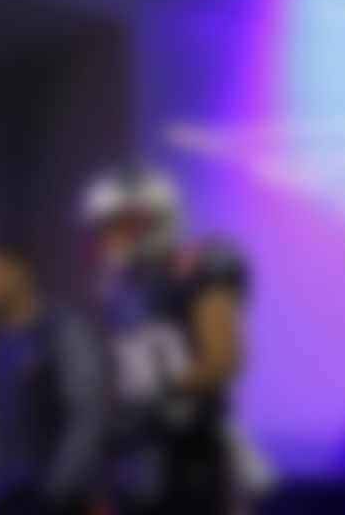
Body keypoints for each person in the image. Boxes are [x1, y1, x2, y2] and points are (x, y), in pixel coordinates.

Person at [81, 165, 251, 515]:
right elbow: (128, 381)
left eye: (124, 223)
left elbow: (223, 359)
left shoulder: (201, 263)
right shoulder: (123, 287)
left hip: (191, 460)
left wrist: (163, 391)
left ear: (158, 219)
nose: (112, 236)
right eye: (106, 226)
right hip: (137, 460)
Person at [0, 242, 104, 515]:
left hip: (49, 498)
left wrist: (56, 491)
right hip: (2, 498)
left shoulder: (64, 331)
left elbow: (89, 416)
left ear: (19, 272)